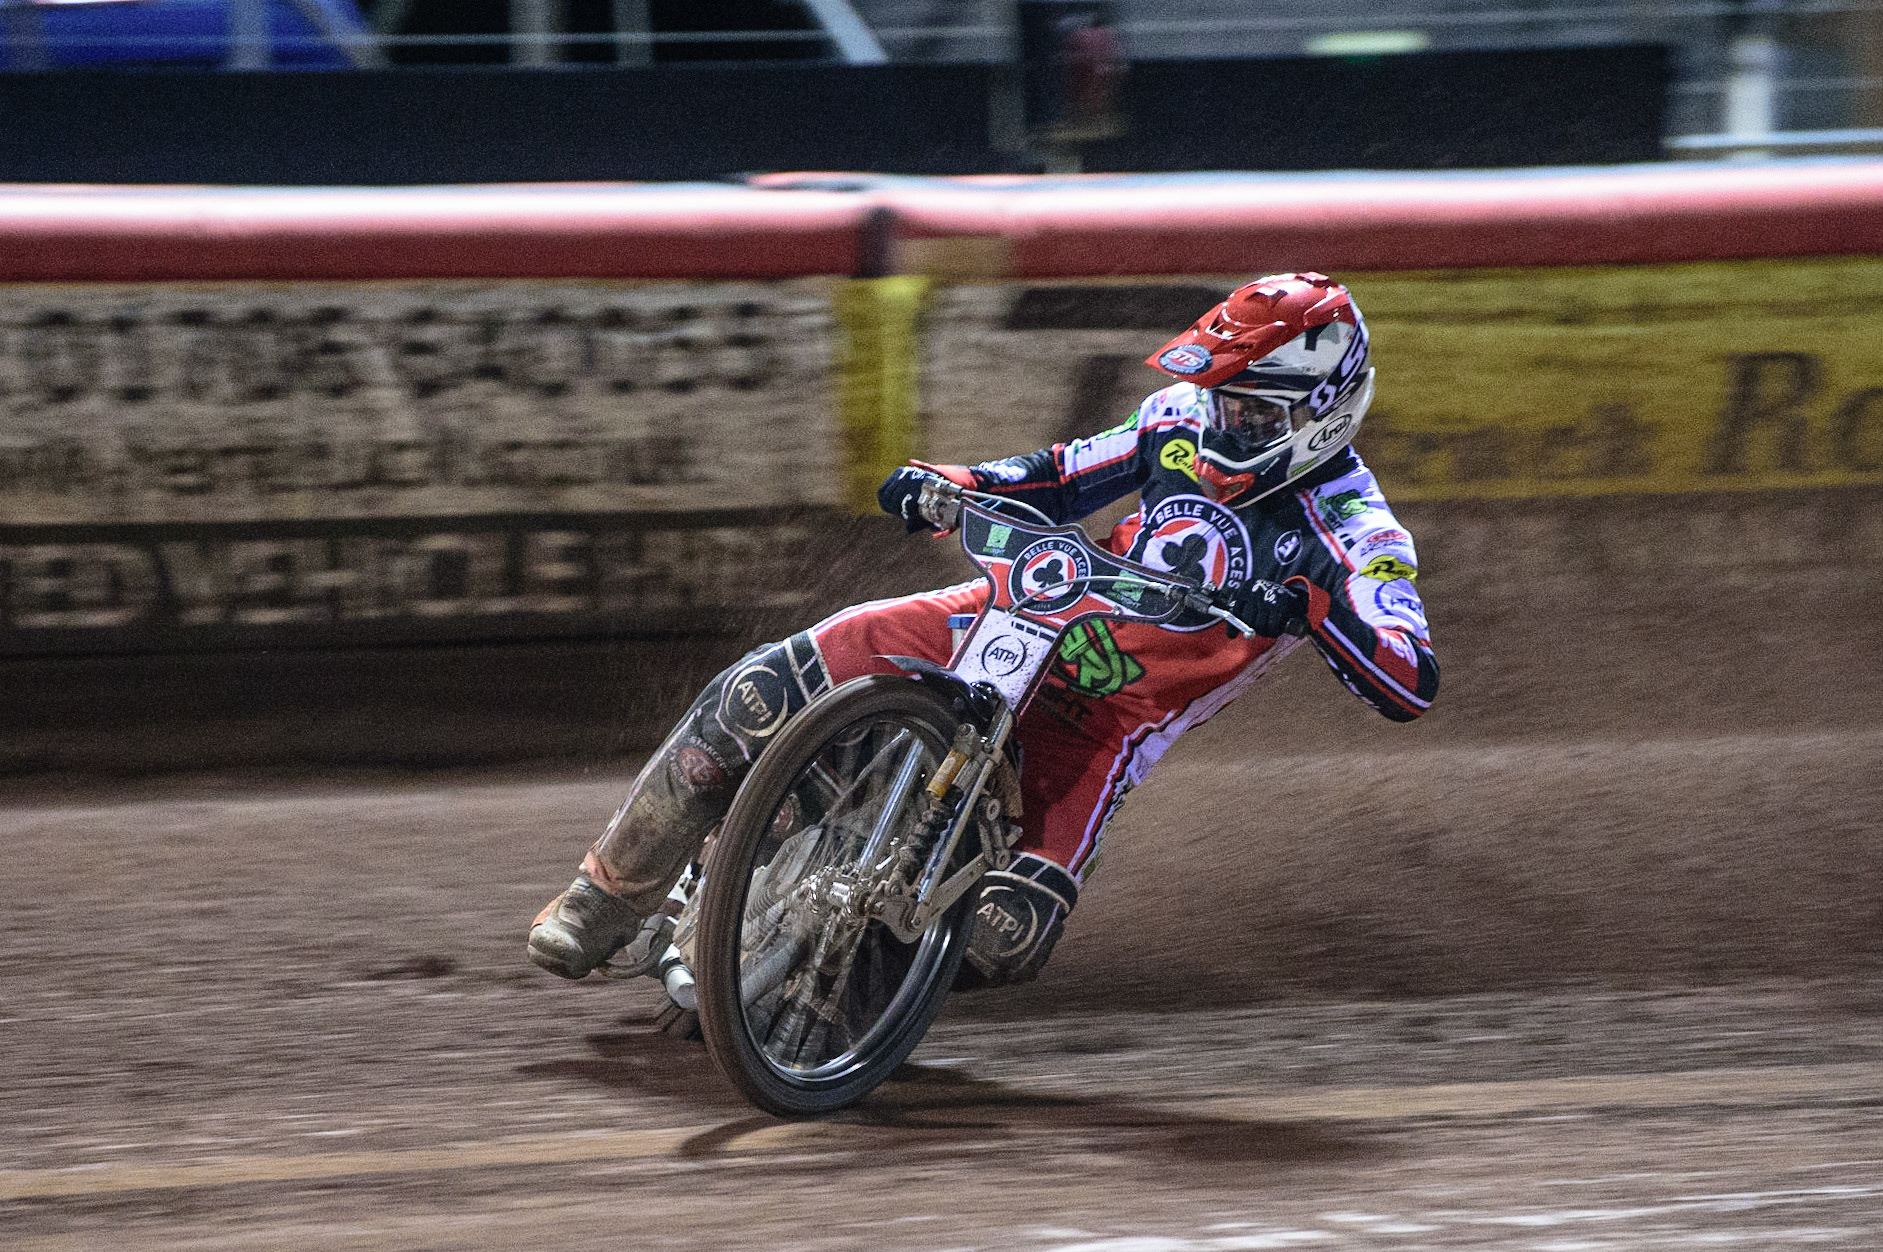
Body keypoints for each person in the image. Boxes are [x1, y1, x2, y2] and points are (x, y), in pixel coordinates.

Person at [528, 272, 1438, 990]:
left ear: (1325, 412)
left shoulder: (1356, 531)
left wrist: (1312, 607)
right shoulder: (1175, 421)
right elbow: (1054, 476)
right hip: (1016, 612)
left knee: (1007, 940)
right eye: (1224, 398)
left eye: (1253, 411)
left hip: (1103, 724)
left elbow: (1409, 679)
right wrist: (946, 482)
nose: (1225, 422)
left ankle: (841, 996)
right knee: (756, 693)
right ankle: (603, 898)